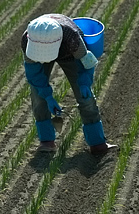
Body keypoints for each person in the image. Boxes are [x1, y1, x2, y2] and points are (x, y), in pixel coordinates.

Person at [22, 14, 116, 156]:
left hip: (69, 54)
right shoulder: (28, 40)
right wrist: (47, 96)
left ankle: (97, 143)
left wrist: (84, 82)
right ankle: (46, 141)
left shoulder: (72, 38)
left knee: (85, 97)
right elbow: (34, 74)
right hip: (41, 51)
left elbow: (88, 63)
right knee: (37, 94)